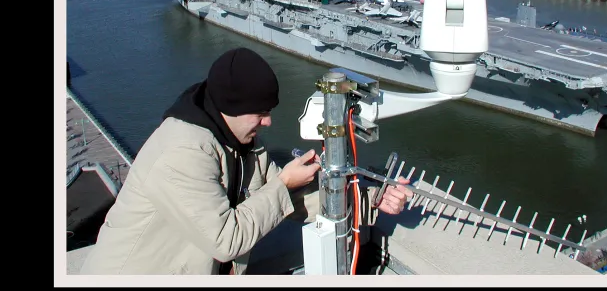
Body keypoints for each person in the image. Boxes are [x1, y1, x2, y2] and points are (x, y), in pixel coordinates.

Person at [81, 47, 412, 275]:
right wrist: (284, 184)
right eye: (261, 113)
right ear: (231, 108)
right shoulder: (180, 153)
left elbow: (292, 200)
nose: (268, 122)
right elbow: (226, 240)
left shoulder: (238, 140)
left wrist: (371, 199)